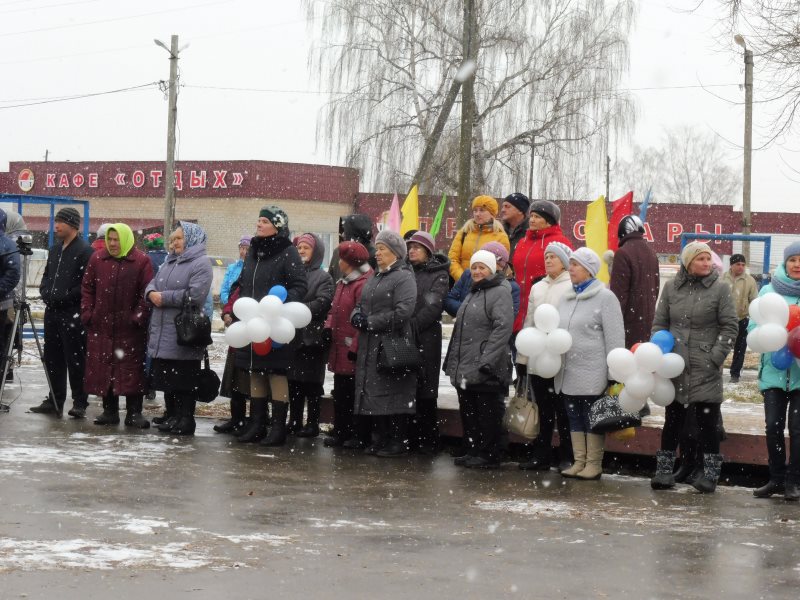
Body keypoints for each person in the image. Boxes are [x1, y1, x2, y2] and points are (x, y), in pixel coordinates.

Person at [650, 241, 738, 493]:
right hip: (675, 366)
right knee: (672, 420)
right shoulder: (671, 288)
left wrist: (715, 357)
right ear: (688, 262)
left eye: (708, 259)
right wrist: (661, 352)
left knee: (707, 424)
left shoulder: (720, 289)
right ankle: (664, 471)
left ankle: (710, 475)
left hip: (705, 367)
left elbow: (730, 326)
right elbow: (659, 324)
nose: (706, 263)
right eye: (700, 259)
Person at [227, 206, 307, 446]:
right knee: (255, 370)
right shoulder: (253, 249)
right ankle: (257, 422)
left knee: (276, 372)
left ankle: (278, 427)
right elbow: (243, 282)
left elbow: (299, 286)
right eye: (258, 220)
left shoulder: (288, 251)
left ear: (277, 226)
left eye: (264, 221)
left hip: (276, 323)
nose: (259, 224)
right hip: (253, 322)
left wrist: (278, 304)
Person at [555, 247, 625, 480]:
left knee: (591, 416)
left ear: (589, 270)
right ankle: (579, 461)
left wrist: (614, 371)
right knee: (573, 416)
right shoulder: (566, 297)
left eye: (576, 265)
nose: (571, 268)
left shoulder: (605, 297)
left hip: (593, 370)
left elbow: (615, 336)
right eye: (571, 264)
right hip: (568, 370)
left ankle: (594, 464)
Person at [443, 249, 513, 468]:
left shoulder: (500, 291)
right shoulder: (475, 291)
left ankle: (488, 453)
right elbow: (461, 331)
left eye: (482, 267)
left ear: (492, 269)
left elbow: (502, 328)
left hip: (486, 367)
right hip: (467, 364)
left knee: (487, 413)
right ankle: (473, 449)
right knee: (470, 411)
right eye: (473, 267)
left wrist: (487, 361)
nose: (477, 271)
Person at [351, 229, 417, 457]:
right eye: (377, 248)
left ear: (396, 253)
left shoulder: (404, 277)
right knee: (375, 391)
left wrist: (370, 322)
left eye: (382, 249)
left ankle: (397, 441)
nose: (377, 253)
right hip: (371, 344)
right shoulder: (375, 277)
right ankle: (379, 438)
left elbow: (403, 312)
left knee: (394, 392)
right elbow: (361, 303)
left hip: (391, 345)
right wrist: (356, 316)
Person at [81, 224, 154, 428]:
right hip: (101, 326)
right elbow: (87, 287)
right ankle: (110, 411)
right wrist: (89, 313)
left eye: (116, 239)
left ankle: (134, 412)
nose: (112, 243)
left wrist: (137, 317)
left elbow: (146, 292)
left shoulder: (141, 261)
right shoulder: (97, 259)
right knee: (105, 368)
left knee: (131, 369)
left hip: (130, 329)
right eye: (110, 239)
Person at [145, 222, 213, 436]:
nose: (174, 242)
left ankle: (186, 419)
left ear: (191, 239)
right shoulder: (168, 262)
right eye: (172, 239)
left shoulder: (201, 263)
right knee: (168, 378)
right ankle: (173, 415)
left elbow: (195, 295)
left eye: (179, 238)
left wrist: (163, 298)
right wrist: (150, 294)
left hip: (185, 330)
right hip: (162, 329)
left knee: (184, 379)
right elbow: (152, 283)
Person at [30, 207, 94, 418]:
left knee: (75, 358)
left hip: (72, 313)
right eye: (55, 221)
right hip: (52, 312)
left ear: (73, 225)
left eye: (60, 222)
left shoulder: (85, 251)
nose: (55, 226)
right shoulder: (55, 249)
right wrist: (45, 292)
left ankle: (79, 402)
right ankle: (54, 399)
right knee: (52, 358)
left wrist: (65, 297)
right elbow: (47, 275)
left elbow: (85, 284)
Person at [750, 244, 800, 501]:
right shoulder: (768, 291)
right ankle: (776, 479)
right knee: (773, 427)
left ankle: (794, 481)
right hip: (773, 371)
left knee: (798, 429)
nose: (797, 264)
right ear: (785, 262)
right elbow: (752, 329)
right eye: (792, 259)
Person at [518, 241, 573, 471]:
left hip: (561, 357)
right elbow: (529, 321)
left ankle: (567, 455)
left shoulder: (572, 286)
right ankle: (541, 454)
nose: (549, 260)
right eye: (547, 256)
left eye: (554, 257)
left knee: (563, 410)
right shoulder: (538, 287)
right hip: (539, 357)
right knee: (543, 409)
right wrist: (523, 357)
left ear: (565, 262)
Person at [323, 241, 373, 448]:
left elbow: (360, 318)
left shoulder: (362, 284)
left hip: (351, 348)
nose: (338, 264)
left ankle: (356, 433)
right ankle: (342, 431)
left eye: (341, 260)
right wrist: (328, 327)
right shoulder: (344, 283)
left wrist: (354, 347)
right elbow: (334, 311)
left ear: (350, 263)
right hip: (339, 347)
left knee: (353, 393)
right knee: (341, 392)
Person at [405, 231, 450, 454]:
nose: (412, 250)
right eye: (410, 246)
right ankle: (410, 437)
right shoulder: (405, 271)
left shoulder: (439, 274)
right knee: (407, 385)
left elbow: (434, 306)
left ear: (428, 251)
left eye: (417, 247)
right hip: (405, 337)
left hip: (427, 337)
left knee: (425, 389)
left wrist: (411, 325)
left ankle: (428, 439)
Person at [287, 233, 334, 438]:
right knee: (293, 383)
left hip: (313, 338)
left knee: (312, 384)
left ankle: (312, 423)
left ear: (316, 252)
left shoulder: (323, 277)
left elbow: (322, 303)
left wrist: (298, 309)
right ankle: (295, 420)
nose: (302, 251)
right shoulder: (292, 274)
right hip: (292, 336)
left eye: (306, 248)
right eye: (299, 248)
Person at [512, 200, 572, 336]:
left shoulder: (560, 241)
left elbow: (569, 271)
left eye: (537, 217)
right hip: (518, 306)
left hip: (545, 303)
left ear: (549, 221)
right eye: (531, 216)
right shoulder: (522, 242)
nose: (532, 220)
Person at [609, 215, 660, 349]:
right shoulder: (651, 252)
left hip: (628, 324)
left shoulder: (623, 252)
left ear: (622, 232)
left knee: (624, 364)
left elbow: (618, 296)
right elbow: (656, 287)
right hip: (647, 320)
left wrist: (613, 324)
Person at [444, 241, 520, 318]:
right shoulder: (468, 275)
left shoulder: (511, 286)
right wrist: (468, 310)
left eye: (487, 260)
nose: (478, 270)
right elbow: (449, 301)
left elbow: (506, 318)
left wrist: (471, 313)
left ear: (500, 264)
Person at [447, 195, 510, 282]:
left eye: (482, 210)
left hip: (486, 288)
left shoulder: (501, 237)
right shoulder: (464, 232)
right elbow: (452, 259)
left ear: (492, 213)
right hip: (461, 286)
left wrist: (480, 281)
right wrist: (463, 279)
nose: (477, 214)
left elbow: (499, 266)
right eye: (475, 210)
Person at [722, 253, 758, 383]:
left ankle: (735, 374)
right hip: (723, 320)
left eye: (743, 264)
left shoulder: (750, 280)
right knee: (721, 347)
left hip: (743, 319)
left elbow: (754, 300)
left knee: (740, 349)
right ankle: (715, 372)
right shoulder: (722, 279)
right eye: (738, 264)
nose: (741, 267)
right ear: (731, 265)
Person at [0, 210, 21, 384]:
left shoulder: (6, 245)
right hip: (5, 302)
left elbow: (13, 274)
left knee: (3, 343)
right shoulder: (8, 244)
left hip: (3, 305)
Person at [328, 214, 377, 281]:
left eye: (345, 231)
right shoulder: (338, 251)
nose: (342, 234)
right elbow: (330, 278)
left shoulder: (374, 254)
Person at [220, 235, 252, 305]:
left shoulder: (253, 268)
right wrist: (228, 302)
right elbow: (224, 288)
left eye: (247, 249)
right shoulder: (232, 267)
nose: (244, 251)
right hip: (229, 306)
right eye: (242, 248)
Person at [499, 192, 529, 262]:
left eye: (507, 206)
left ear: (520, 211)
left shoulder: (530, 232)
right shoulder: (499, 231)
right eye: (503, 206)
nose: (502, 210)